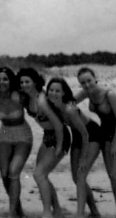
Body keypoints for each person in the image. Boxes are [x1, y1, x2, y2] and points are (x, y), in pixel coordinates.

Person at [75, 67, 116, 218]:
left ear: (95, 79)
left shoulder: (109, 94)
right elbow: (70, 101)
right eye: (83, 83)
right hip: (104, 130)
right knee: (111, 175)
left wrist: (114, 143)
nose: (87, 85)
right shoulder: (86, 92)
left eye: (89, 81)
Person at [16, 68, 71, 218]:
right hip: (47, 136)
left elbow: (59, 125)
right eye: (21, 82)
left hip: (60, 136)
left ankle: (47, 212)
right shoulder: (27, 98)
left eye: (27, 81)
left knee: (39, 174)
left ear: (35, 82)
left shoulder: (42, 100)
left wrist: (60, 147)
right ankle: (57, 210)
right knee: (41, 175)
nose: (24, 84)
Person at [46, 77, 101, 218]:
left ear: (64, 93)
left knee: (81, 174)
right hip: (77, 136)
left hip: (91, 134)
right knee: (76, 178)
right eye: (51, 90)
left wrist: (83, 158)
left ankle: (80, 213)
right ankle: (94, 212)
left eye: (57, 90)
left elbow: (85, 134)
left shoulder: (70, 109)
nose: (53, 93)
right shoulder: (53, 106)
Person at [0, 67, 33, 218]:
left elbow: (36, 99)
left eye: (5, 79)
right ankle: (18, 210)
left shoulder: (19, 96)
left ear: (11, 80)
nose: (2, 82)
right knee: (4, 174)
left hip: (23, 135)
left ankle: (12, 213)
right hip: (5, 134)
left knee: (14, 171)